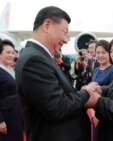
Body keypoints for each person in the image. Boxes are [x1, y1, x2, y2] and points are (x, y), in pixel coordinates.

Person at [15, 6, 95, 141]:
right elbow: (57, 107)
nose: (66, 40)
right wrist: (86, 93)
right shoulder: (34, 60)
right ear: (47, 25)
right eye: (64, 32)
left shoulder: (40, 56)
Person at [0, 40, 24, 141]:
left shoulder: (12, 70)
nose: (11, 55)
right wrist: (0, 120)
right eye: (7, 52)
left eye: (13, 52)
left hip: (17, 112)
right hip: (6, 116)